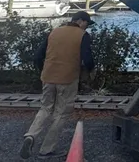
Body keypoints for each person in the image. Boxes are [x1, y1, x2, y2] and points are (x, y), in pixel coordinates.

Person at [20, 11, 95, 160]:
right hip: (68, 79)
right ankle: (46, 150)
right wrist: (90, 73)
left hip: (48, 77)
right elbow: (88, 59)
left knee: (45, 108)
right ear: (80, 21)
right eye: (87, 23)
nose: (87, 27)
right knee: (61, 113)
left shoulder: (54, 32)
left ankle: (30, 136)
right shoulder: (82, 35)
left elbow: (37, 56)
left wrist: (44, 71)